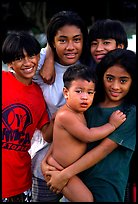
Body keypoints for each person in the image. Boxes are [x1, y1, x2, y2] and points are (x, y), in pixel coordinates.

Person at [42, 48, 136, 202]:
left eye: (123, 81)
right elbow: (62, 137)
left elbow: (102, 150)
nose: (115, 86)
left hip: (105, 186)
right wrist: (46, 162)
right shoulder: (87, 106)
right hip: (76, 180)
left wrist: (64, 175)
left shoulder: (129, 113)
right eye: (110, 78)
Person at [29, 10, 91, 202]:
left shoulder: (91, 67)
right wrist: (48, 55)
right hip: (49, 153)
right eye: (62, 40)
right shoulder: (39, 64)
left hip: (84, 154)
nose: (70, 47)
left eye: (77, 40)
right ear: (52, 42)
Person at [2, 31, 54, 202]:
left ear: (39, 56)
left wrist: (67, 110)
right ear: (10, 63)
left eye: (31, 55)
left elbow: (47, 133)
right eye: (19, 58)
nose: (27, 62)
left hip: (20, 181)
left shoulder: (39, 95)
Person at [40, 18, 128, 83]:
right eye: (94, 43)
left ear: (120, 46)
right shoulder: (88, 69)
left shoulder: (130, 69)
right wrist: (49, 56)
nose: (98, 49)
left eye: (106, 43)